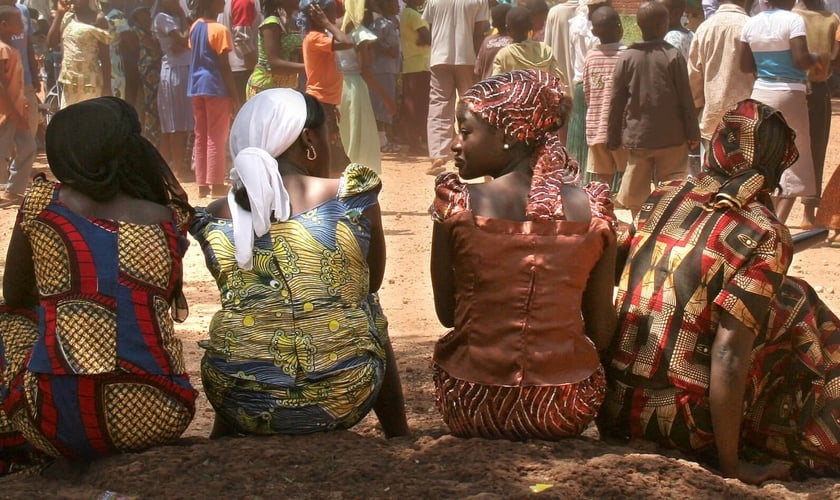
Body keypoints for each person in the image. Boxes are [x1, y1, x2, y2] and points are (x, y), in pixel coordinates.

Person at [599, 99, 840, 482]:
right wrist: (730, 467)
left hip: (612, 407)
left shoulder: (666, 194)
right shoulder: (765, 231)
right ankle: (814, 434)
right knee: (798, 305)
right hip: (685, 423)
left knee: (780, 296)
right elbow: (729, 351)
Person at [189, 88, 409, 438]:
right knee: (362, 302)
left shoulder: (216, 216)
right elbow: (371, 283)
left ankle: (225, 435)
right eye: (328, 135)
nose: (332, 145)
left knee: (254, 308)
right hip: (344, 395)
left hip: (241, 402)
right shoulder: (350, 195)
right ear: (308, 138)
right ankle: (399, 433)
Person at [0, 97, 196, 470]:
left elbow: (16, 295)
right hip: (162, 413)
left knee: (10, 320)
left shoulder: (43, 204)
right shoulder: (167, 219)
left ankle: (13, 452)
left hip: (55, 421)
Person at [430, 70, 617, 441]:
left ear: (507, 136)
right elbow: (601, 330)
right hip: (566, 405)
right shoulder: (595, 210)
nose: (455, 144)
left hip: (472, 401)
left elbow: (447, 314)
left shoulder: (458, 206)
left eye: (465, 132)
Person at [607, 1, 700, 219]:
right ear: (662, 25)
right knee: (673, 186)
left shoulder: (627, 57)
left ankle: (640, 225)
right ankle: (666, 225)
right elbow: (686, 99)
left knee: (636, 189)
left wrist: (612, 136)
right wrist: (693, 133)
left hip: (639, 137)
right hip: (673, 137)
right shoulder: (673, 56)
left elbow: (616, 101)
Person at [740, 0, 818, 225]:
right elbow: (801, 59)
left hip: (761, 92)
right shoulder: (794, 20)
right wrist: (817, 59)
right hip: (790, 92)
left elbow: (744, 66)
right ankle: (776, 222)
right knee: (794, 155)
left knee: (764, 155)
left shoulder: (751, 23)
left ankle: (760, 217)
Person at [422, 0, 490, 176]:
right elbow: (479, 32)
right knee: (470, 105)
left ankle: (438, 154)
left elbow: (430, 27)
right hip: (467, 57)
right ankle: (470, 150)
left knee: (439, 104)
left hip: (439, 57)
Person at [687, 0, 754, 162]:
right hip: (748, 119)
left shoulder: (704, 29)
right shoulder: (752, 27)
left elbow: (694, 79)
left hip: (713, 119)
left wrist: (693, 120)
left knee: (712, 179)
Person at [794, 0, 839, 227]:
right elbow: (834, 57)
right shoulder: (831, 20)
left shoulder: (791, 16)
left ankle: (775, 208)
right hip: (818, 89)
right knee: (816, 149)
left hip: (790, 88)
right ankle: (808, 214)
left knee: (785, 147)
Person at [189, 0, 240, 199]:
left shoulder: (195, 27)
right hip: (215, 87)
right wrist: (234, 95)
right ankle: (217, 184)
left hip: (196, 86)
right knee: (216, 136)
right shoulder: (220, 29)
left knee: (201, 135)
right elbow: (224, 66)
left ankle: (202, 184)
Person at [299, 0, 353, 175]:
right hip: (320, 102)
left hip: (324, 103)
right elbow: (347, 42)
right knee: (331, 159)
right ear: (318, 14)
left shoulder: (319, 37)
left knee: (332, 158)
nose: (335, 14)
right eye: (330, 10)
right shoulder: (315, 38)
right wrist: (327, 23)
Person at [582, 6, 625, 187]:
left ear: (593, 31)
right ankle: (635, 212)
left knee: (602, 178)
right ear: (620, 28)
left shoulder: (591, 57)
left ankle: (601, 212)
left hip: (596, 126)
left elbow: (587, 92)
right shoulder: (626, 55)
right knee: (629, 173)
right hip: (622, 129)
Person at [0, 3, 36, 205]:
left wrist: (22, 106)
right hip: (6, 113)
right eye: (18, 22)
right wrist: (14, 111)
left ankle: (14, 189)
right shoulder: (2, 50)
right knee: (1, 151)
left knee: (28, 146)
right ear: (4, 25)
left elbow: (14, 84)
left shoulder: (12, 49)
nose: (23, 24)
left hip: (16, 110)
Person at [154, 0, 193, 180]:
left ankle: (172, 168)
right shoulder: (162, 18)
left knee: (183, 123)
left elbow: (186, 41)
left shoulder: (177, 18)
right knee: (175, 124)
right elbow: (185, 39)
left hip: (184, 69)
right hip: (174, 72)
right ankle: (176, 169)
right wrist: (185, 24)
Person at [46, 0, 111, 107]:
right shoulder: (66, 17)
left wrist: (107, 88)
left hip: (90, 83)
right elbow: (51, 44)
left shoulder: (98, 19)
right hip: (69, 84)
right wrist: (60, 14)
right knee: (70, 120)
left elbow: (105, 58)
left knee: (88, 120)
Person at [245, 0, 304, 99]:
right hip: (265, 88)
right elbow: (274, 64)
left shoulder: (294, 21)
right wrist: (309, 67)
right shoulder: (272, 23)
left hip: (286, 87)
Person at [491, 7, 565, 81]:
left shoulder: (503, 55)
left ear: (508, 30)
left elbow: (495, 85)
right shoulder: (545, 50)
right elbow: (559, 79)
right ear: (530, 27)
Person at [123, 5, 163, 145]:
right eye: (143, 14)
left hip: (155, 74)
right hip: (145, 74)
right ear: (137, 17)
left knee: (153, 108)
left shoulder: (150, 32)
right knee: (147, 108)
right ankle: (149, 139)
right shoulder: (134, 33)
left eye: (147, 14)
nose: (147, 17)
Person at [366, 0, 400, 153]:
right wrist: (387, 50)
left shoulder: (392, 22)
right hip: (381, 69)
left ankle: (385, 138)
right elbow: (370, 41)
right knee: (381, 104)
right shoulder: (380, 23)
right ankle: (381, 141)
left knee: (387, 104)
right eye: (393, 3)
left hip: (390, 68)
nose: (398, 5)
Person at [398, 0, 431, 155]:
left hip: (412, 64)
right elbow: (428, 37)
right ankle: (416, 144)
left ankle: (415, 142)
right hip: (419, 65)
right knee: (420, 105)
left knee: (412, 105)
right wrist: (426, 37)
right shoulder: (413, 15)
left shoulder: (407, 13)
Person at [218, 0, 260, 103]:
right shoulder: (243, 2)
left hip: (235, 68)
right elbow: (242, 41)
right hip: (244, 70)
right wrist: (259, 67)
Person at [544, 0, 578, 101]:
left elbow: (547, 49)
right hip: (582, 79)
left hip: (560, 79)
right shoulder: (586, 10)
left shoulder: (554, 12)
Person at [474, 4, 512, 81]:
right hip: (508, 89)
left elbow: (477, 71)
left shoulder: (486, 41)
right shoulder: (514, 42)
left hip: (488, 88)